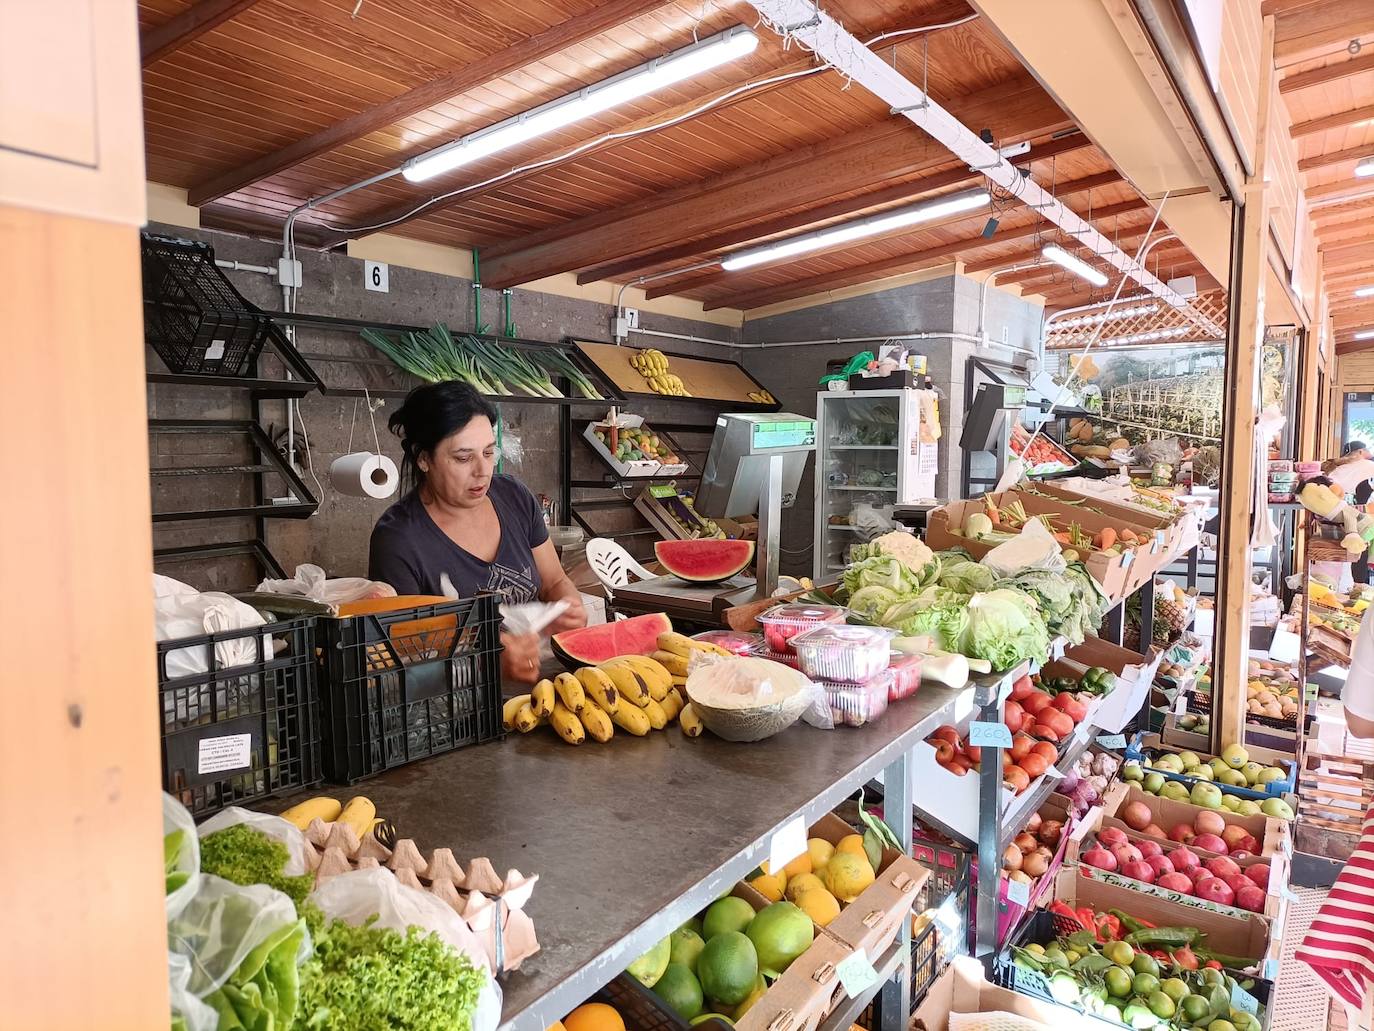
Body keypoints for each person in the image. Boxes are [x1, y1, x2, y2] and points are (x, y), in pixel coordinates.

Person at [368, 381, 585, 684]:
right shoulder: (398, 539)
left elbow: (554, 581)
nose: (483, 471)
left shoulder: (515, 497)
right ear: (423, 458)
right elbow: (404, 654)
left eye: (488, 452)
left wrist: (569, 605)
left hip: (543, 688)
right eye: (463, 458)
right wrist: (489, 660)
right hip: (457, 703)